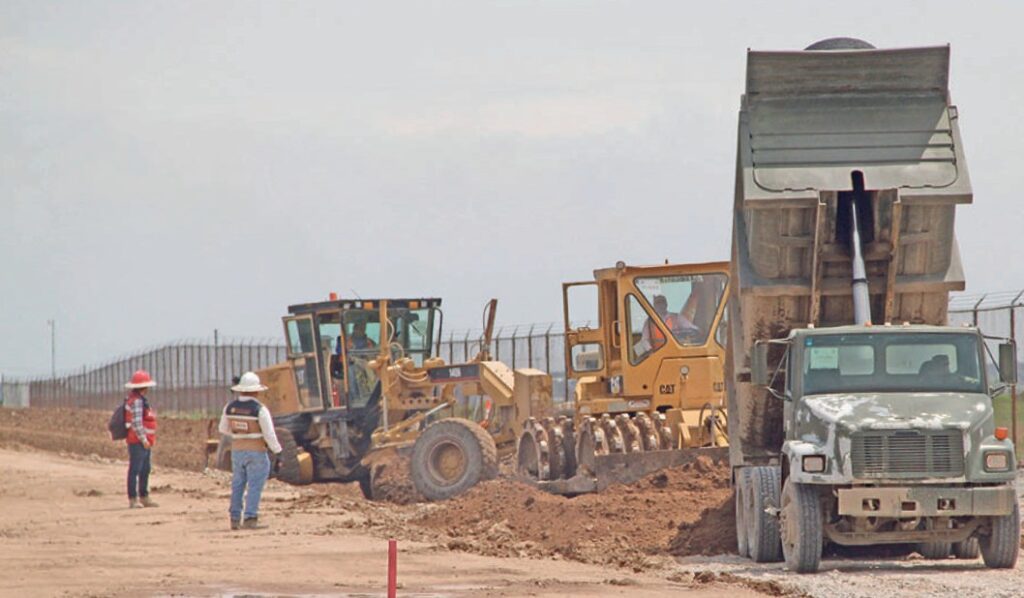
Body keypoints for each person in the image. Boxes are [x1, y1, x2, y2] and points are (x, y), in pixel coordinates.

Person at [219, 371, 283, 530]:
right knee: (254, 485)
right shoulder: (259, 409)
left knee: (238, 484)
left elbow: (223, 429)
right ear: (256, 391)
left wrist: (240, 434)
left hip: (237, 451)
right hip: (257, 452)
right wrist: (278, 451)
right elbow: (269, 434)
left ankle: (234, 518)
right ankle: (250, 517)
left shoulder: (230, 408)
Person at [124, 369, 158, 509]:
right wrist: (144, 439)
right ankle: (133, 499)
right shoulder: (137, 402)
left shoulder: (140, 401)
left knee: (145, 468)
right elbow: (137, 423)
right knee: (136, 469)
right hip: (138, 441)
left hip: (144, 441)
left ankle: (144, 496)